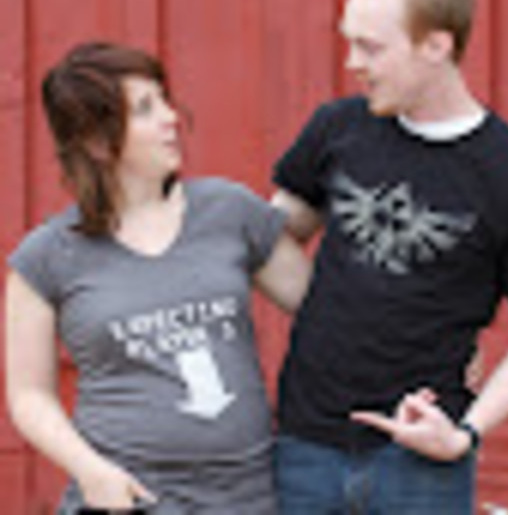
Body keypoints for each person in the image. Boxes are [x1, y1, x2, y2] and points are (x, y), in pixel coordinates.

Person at [271, 0, 508, 514]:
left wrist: (464, 435)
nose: (351, 62)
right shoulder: (336, 130)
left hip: (420, 465)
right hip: (304, 448)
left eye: (370, 47)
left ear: (436, 45)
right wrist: (339, 313)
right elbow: (267, 241)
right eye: (348, 42)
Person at [4, 42, 311, 514]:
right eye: (146, 109)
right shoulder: (46, 257)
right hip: (127, 499)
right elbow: (29, 395)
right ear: (97, 141)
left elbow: (328, 311)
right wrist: (91, 471)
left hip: (244, 499)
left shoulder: (230, 211)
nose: (171, 118)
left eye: (165, 100)